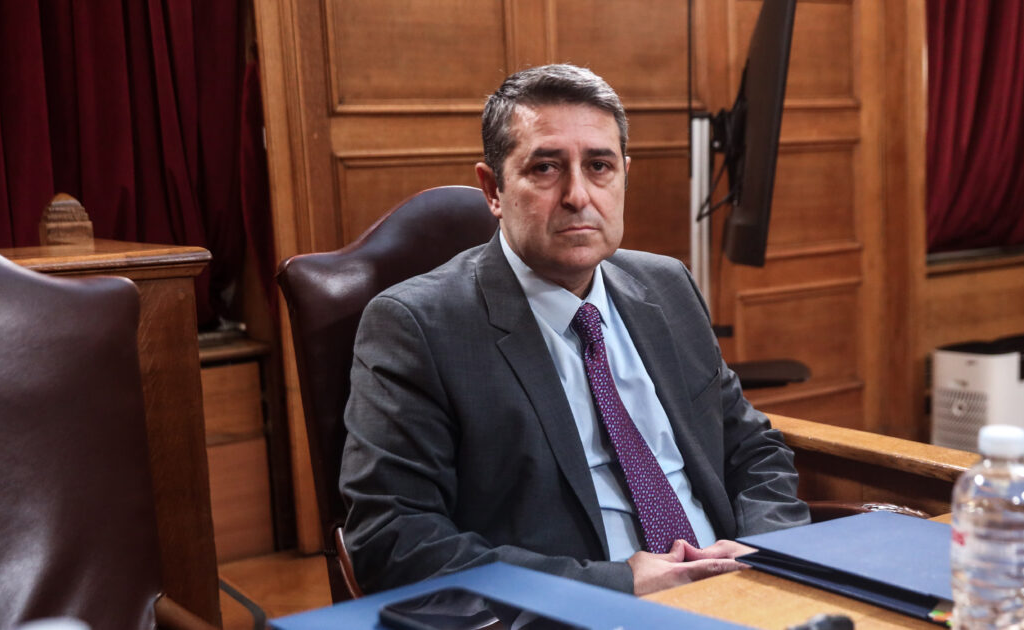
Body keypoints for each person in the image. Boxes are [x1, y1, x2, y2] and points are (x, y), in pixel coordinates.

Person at [339, 63, 810, 597]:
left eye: (599, 166)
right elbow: (395, 539)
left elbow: (751, 447)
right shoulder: (417, 327)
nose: (578, 195)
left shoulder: (668, 285)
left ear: (624, 175)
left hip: (742, 590)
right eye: (545, 168)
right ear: (493, 189)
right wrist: (617, 585)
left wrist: (767, 551)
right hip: (578, 610)